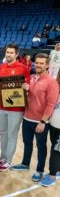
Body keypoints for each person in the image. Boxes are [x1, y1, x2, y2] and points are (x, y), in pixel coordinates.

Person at [11, 54, 58, 182]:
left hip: (40, 121)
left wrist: (43, 121)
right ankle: (25, 164)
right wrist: (24, 90)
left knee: (41, 146)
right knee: (27, 143)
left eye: (41, 63)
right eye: (37, 62)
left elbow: (51, 104)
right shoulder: (31, 78)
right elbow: (28, 97)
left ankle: (39, 170)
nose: (38, 65)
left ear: (47, 65)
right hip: (27, 118)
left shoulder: (51, 82)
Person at [0, 44, 30, 171]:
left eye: (11, 53)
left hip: (16, 109)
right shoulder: (2, 67)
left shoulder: (23, 68)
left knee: (12, 135)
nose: (8, 54)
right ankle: (3, 156)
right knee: (3, 133)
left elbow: (27, 85)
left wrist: (27, 87)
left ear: (16, 54)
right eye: (7, 52)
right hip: (3, 107)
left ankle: (8, 160)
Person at [41, 70, 60, 187]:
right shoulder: (56, 86)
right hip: (53, 125)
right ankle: (57, 169)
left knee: (55, 150)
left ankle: (52, 175)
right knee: (56, 148)